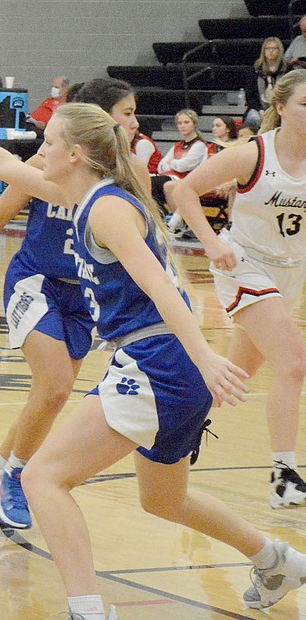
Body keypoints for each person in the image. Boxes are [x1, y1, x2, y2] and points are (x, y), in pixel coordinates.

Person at [0, 77, 306, 620]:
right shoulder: (78, 193)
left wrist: (206, 358)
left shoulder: (108, 210)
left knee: (42, 478)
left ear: (77, 153)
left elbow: (163, 287)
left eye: (48, 144)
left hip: (160, 361)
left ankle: (88, 611)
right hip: (170, 366)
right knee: (163, 499)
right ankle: (276, 559)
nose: (39, 152)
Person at [0, 77, 149, 531]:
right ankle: (14, 479)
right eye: (127, 112)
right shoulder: (50, 160)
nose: (135, 122)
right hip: (36, 281)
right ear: (100, 120)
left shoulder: (131, 173)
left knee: (48, 397)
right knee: (57, 385)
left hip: (84, 291)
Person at [168, 69, 306, 510]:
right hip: (244, 264)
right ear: (281, 108)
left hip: (290, 271)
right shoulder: (253, 154)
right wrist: (209, 242)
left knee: (235, 374)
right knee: (294, 363)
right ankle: (284, 475)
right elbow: (183, 190)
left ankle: (177, 426)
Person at [154, 109, 208, 235]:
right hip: (171, 176)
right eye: (179, 123)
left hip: (186, 179)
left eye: (186, 122)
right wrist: (174, 163)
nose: (182, 125)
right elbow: (160, 166)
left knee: (158, 184)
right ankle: (162, 219)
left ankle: (175, 222)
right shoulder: (177, 145)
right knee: (150, 183)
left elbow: (184, 166)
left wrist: (171, 163)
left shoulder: (199, 145)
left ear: (194, 124)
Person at [255, 37, 287, 110]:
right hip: (259, 108)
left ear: (279, 51)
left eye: (274, 48)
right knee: (252, 118)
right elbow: (251, 97)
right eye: (268, 48)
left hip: (282, 107)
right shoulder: (255, 69)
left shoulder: (286, 69)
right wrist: (260, 110)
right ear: (264, 51)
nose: (271, 51)